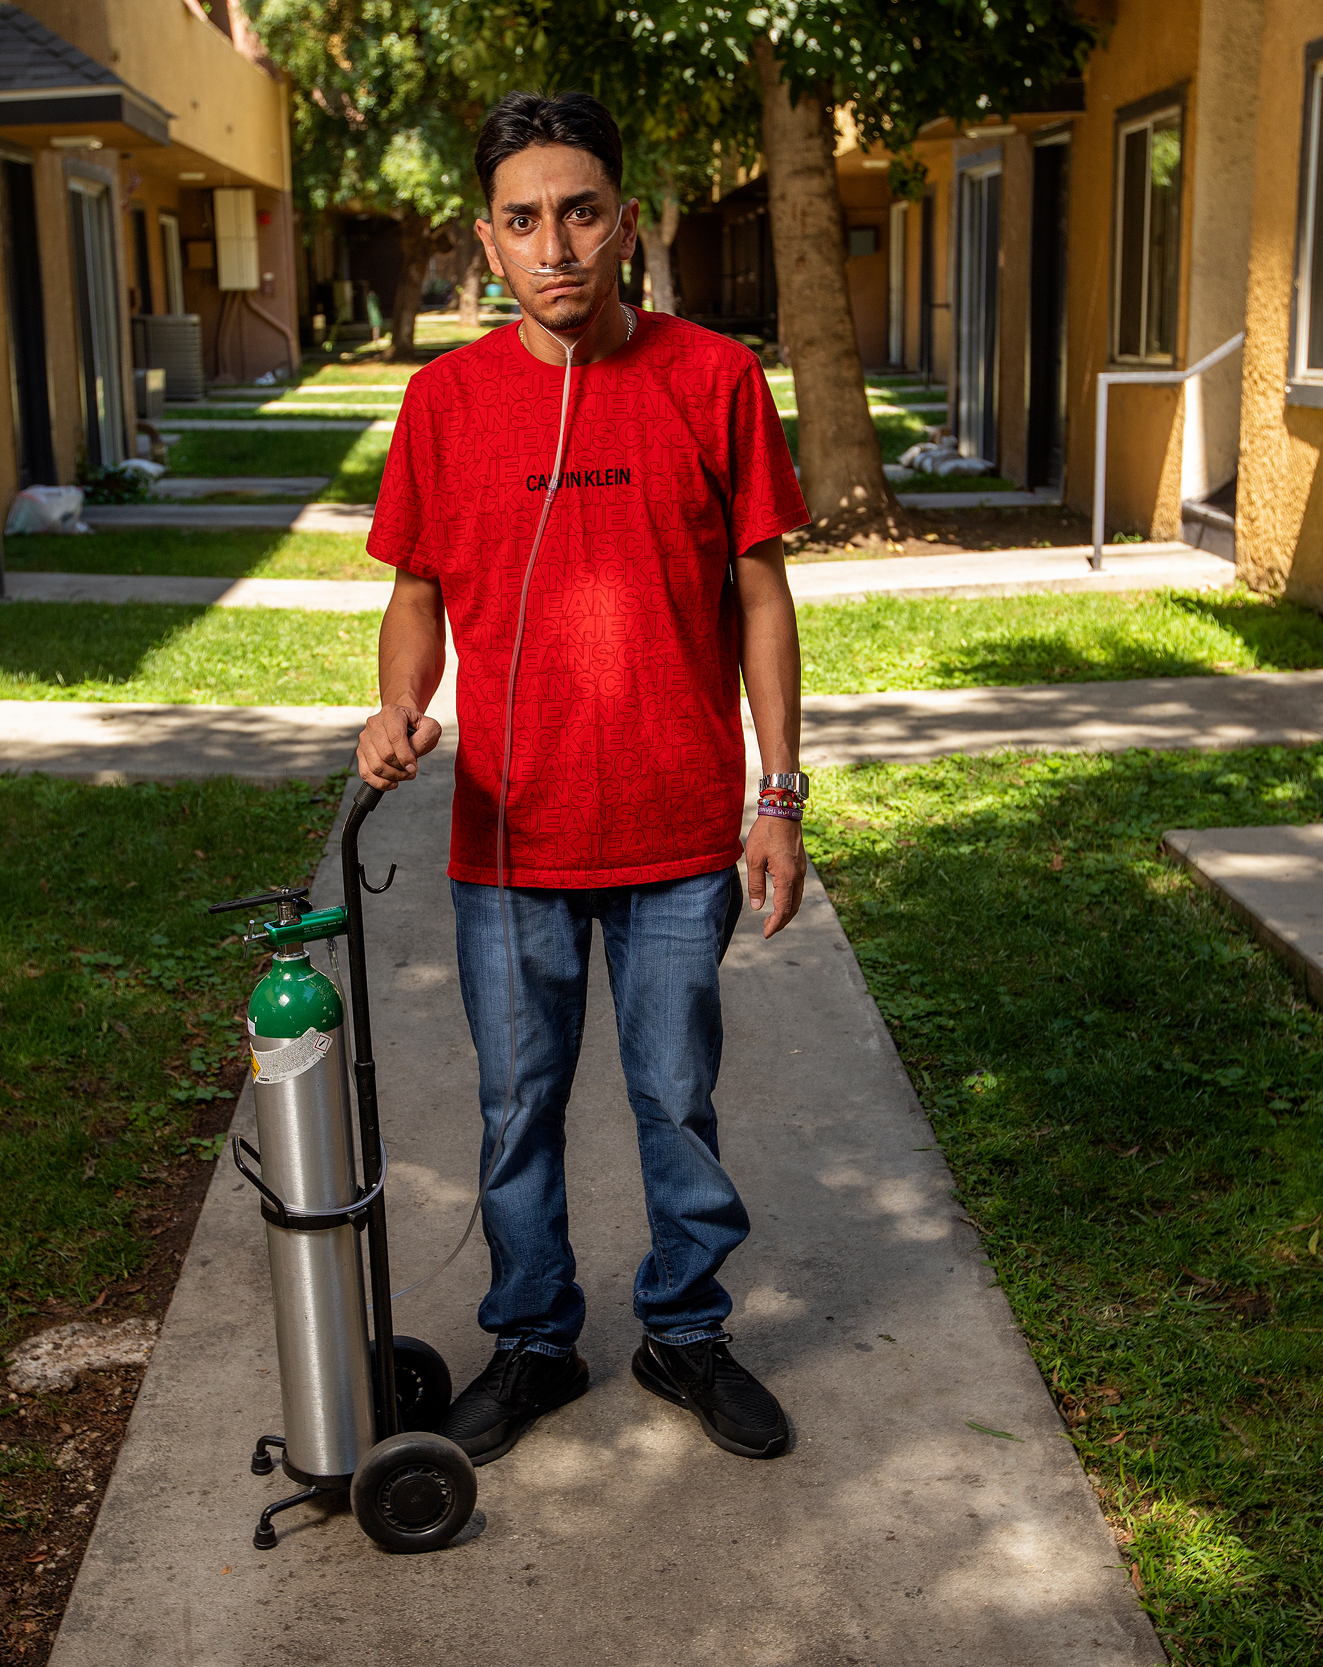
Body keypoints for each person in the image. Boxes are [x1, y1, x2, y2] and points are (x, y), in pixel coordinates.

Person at [355, 89, 811, 1465]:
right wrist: (394, 704)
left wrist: (778, 796)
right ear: (485, 243)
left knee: (677, 1098)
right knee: (515, 1108)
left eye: (580, 212)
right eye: (522, 219)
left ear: (626, 221)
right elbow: (417, 593)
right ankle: (537, 1343)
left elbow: (763, 597)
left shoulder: (714, 381)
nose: (555, 244)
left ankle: (685, 1332)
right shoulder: (445, 404)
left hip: (678, 832)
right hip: (508, 843)